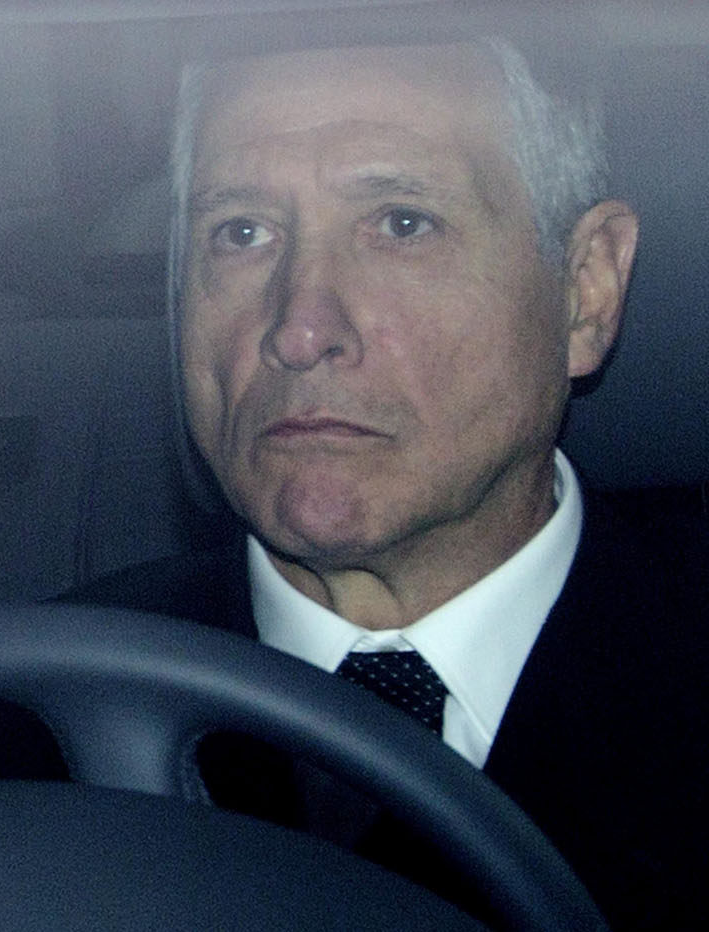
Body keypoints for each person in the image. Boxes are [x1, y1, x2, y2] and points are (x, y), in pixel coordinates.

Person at [70, 39, 706, 930]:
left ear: (586, 288)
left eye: (402, 224)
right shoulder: (8, 732)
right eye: (242, 233)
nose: (300, 329)